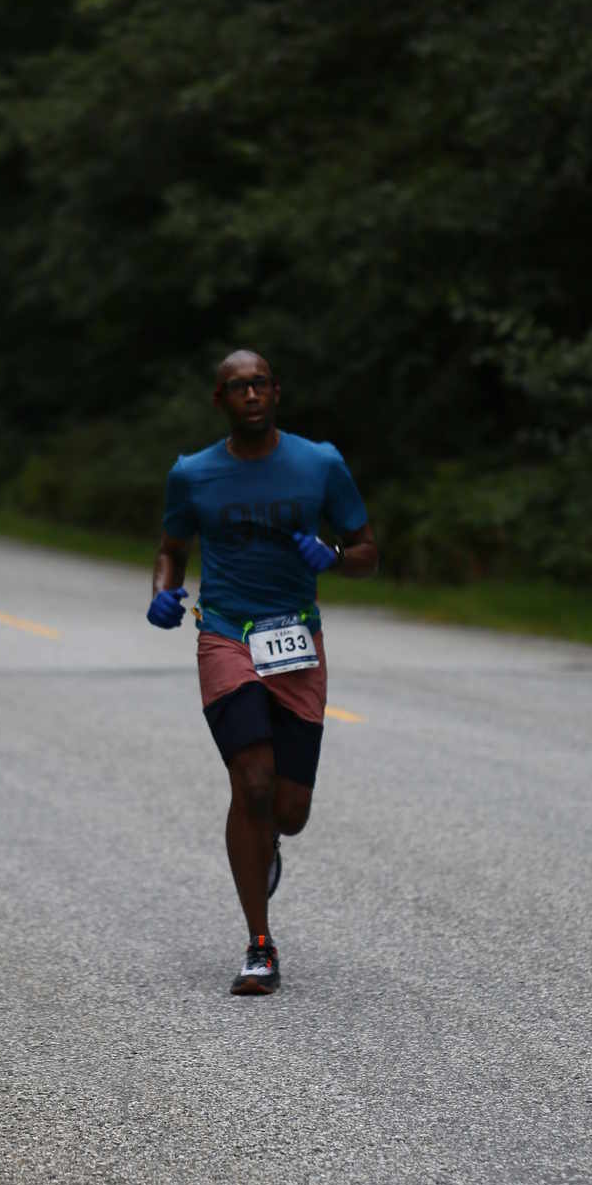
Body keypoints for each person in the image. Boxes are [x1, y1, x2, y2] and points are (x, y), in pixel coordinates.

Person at [148, 350, 378, 994]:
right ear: (219, 400)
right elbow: (171, 550)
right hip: (227, 634)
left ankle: (268, 842)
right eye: (236, 387)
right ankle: (259, 945)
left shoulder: (319, 464)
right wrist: (163, 592)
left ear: (277, 392)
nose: (250, 395)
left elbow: (369, 551)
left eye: (259, 384)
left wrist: (333, 555)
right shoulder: (192, 474)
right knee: (251, 782)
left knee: (289, 809)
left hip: (296, 639)